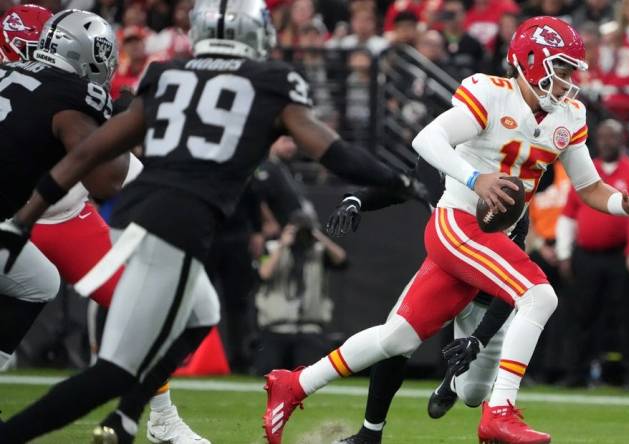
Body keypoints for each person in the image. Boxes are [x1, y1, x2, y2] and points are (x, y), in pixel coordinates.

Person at [0, 0, 426, 442]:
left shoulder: (168, 74)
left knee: (203, 313)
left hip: (143, 210)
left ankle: (128, 418)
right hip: (176, 221)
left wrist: (22, 221)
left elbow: (88, 153)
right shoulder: (271, 81)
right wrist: (398, 181)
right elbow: (332, 151)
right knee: (113, 371)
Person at [263, 16, 629, 444]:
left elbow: (589, 186)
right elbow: (427, 139)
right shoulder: (490, 93)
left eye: (572, 71)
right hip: (458, 223)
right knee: (540, 295)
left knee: (397, 338)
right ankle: (500, 411)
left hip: (492, 238)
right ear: (532, 61)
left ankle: (293, 385)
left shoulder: (569, 115)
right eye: (561, 68)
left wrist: (621, 203)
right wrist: (475, 179)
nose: (568, 81)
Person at [0, 7, 214, 443]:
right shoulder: (72, 92)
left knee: (123, 298)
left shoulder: (25, 79)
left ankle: (162, 417)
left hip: (55, 210)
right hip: (28, 209)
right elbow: (103, 172)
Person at [324, 157, 523, 444]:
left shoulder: (508, 188)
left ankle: (453, 383)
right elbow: (400, 186)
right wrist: (355, 199)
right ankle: (370, 433)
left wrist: (478, 340)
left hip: (486, 293)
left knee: (473, 394)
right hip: (444, 273)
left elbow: (511, 283)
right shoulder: (436, 163)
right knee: (394, 339)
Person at [555, 119, 629, 388]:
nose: (607, 142)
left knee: (628, 317)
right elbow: (569, 213)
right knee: (582, 316)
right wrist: (564, 253)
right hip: (587, 254)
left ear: (623, 140)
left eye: (613, 137)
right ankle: (576, 373)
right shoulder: (588, 169)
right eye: (603, 137)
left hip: (620, 255)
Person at [253, 210, 347, 375]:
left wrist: (319, 237)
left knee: (311, 376)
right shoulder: (272, 248)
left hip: (309, 329)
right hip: (276, 329)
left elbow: (342, 260)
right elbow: (264, 273)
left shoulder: (319, 251)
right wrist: (282, 244)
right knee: (266, 373)